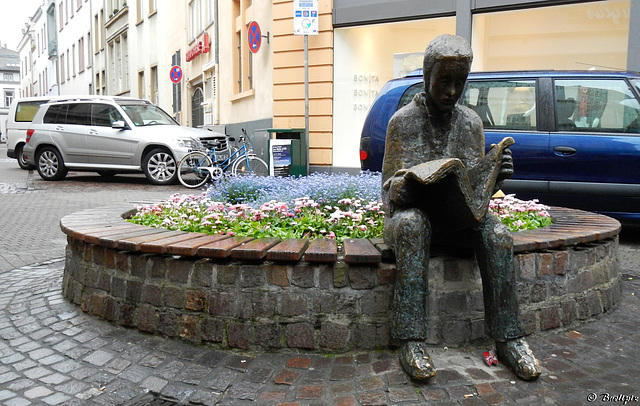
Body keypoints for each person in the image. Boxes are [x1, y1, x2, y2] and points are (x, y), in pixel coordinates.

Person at [381, 34, 541, 381]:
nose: (452, 91)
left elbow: (470, 188)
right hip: (410, 219)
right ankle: (411, 340)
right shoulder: (402, 122)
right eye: (444, 81)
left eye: (459, 83)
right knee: (412, 225)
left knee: (497, 233)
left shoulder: (470, 123)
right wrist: (404, 186)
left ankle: (509, 337)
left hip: (456, 221)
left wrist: (493, 177)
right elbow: (389, 192)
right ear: (427, 77)